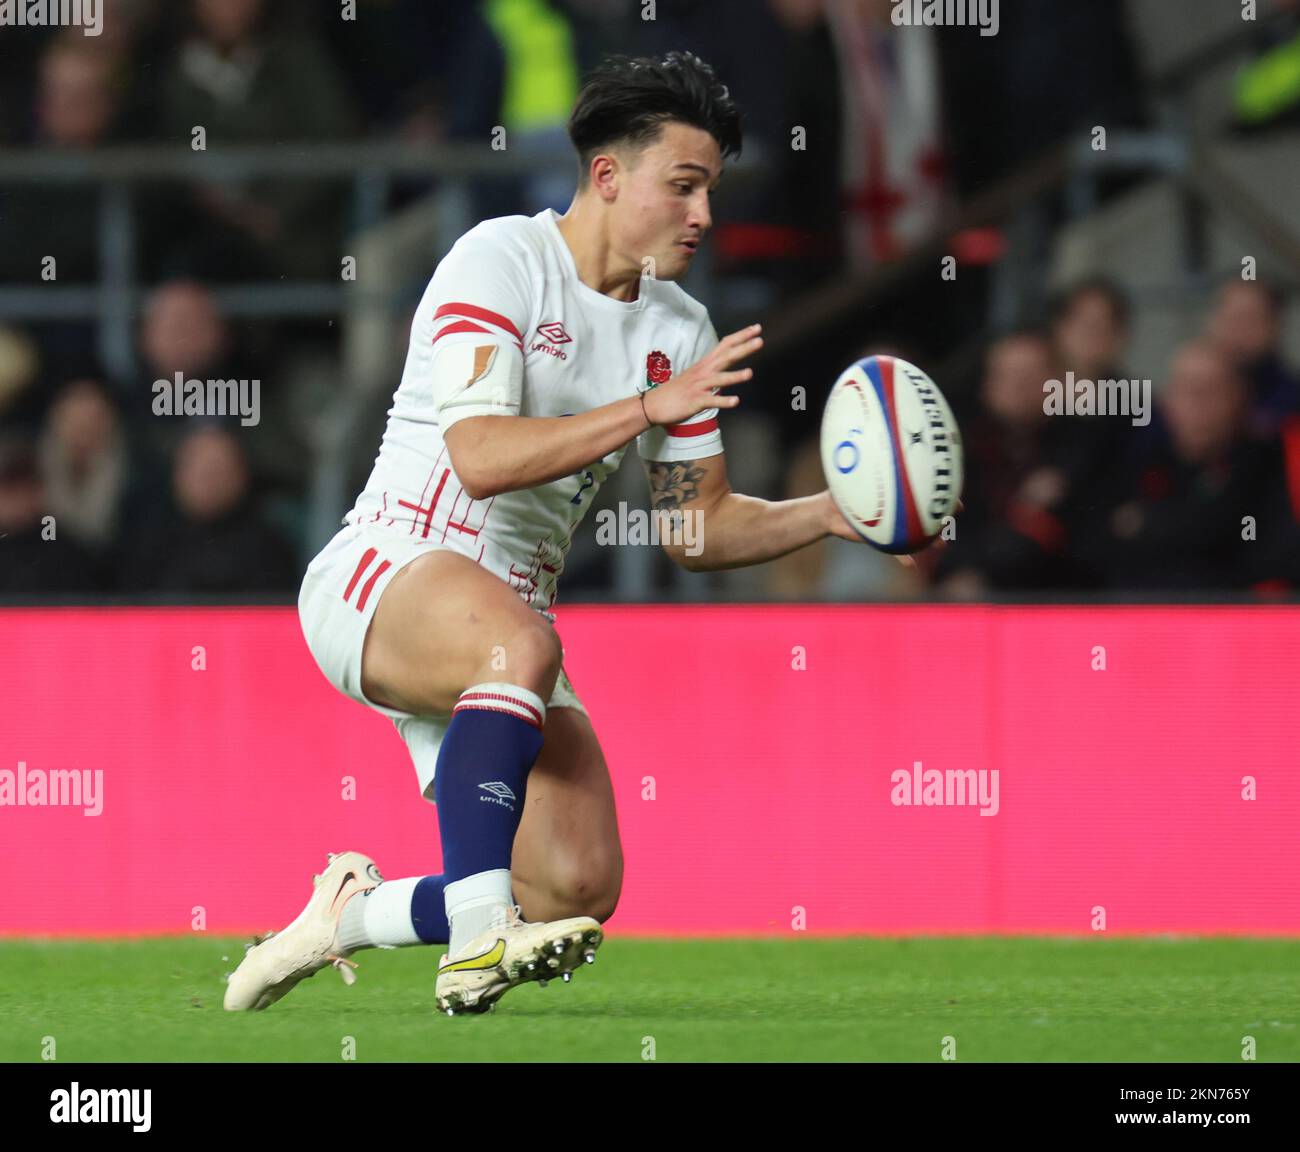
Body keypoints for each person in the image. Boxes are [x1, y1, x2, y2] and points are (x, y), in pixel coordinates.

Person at [225, 50, 927, 1017]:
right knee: (521, 644)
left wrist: (836, 516)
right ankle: (475, 949)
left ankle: (346, 917)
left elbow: (693, 526)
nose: (704, 216)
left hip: (502, 633)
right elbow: (478, 455)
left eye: (711, 190)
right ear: (608, 176)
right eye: (683, 186)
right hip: (382, 576)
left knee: (576, 886)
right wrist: (647, 406)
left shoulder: (679, 328)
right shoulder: (500, 258)